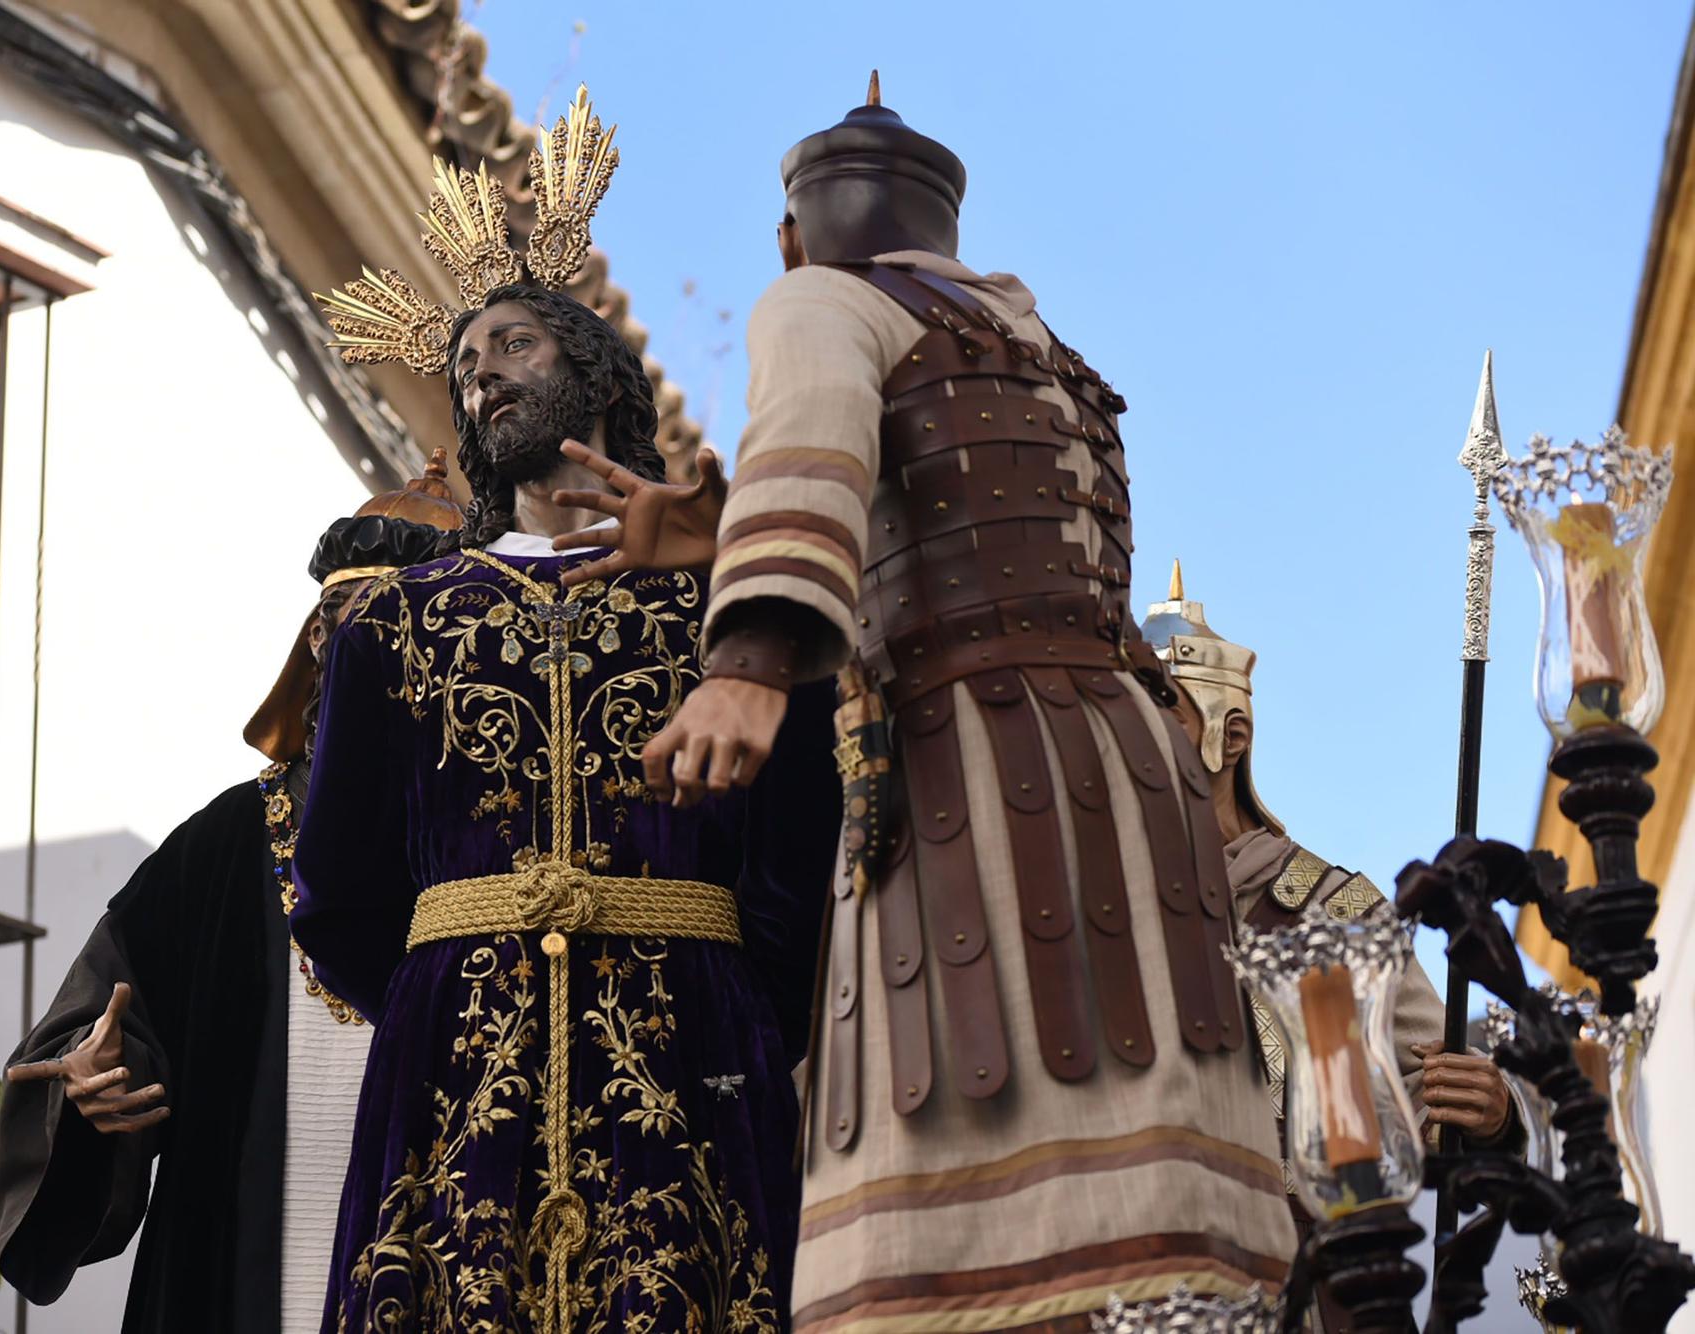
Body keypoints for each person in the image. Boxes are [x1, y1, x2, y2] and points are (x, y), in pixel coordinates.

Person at [551, 73, 1298, 1331]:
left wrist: (743, 661)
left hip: (979, 771)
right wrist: (715, 522)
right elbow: (959, 518)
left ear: (791, 234)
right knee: (1160, 1240)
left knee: (950, 1250)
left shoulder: (820, 301)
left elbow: (819, 437)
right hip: (1128, 782)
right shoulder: (1048, 356)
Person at [293, 88, 838, 1332]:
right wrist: (447, 983)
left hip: (691, 1036)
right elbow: (337, 883)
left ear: (593, 372)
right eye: (466, 364)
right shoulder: (392, 621)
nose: (482, 374)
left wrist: (739, 1003)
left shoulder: (729, 602)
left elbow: (796, 841)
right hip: (452, 1065)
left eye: (514, 348)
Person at [0, 465, 459, 1334]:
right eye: (341, 630)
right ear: (314, 648)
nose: (363, 656)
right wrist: (96, 1087)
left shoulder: (497, 839)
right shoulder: (227, 845)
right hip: (245, 1264)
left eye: (397, 630)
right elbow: (98, 1031)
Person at [1140, 562, 1516, 1333]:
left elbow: (1428, 1095)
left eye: (1159, 707)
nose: (1130, 733)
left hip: (1315, 1293)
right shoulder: (1107, 915)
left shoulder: (1329, 911)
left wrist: (1494, 1112)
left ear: (1229, 734)